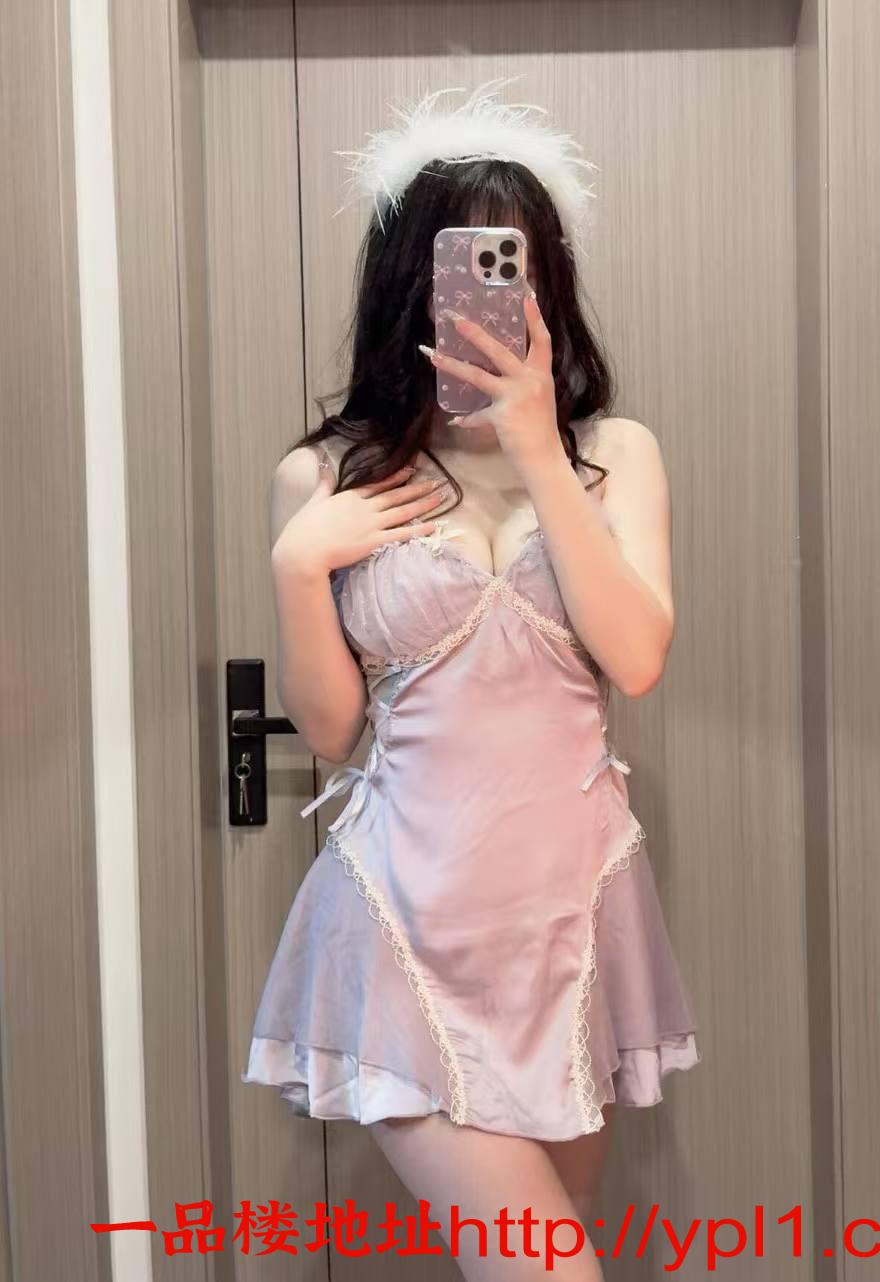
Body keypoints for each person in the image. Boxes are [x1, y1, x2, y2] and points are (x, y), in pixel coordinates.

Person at [242, 79, 700, 1280]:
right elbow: (332, 731)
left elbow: (637, 658)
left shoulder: (614, 454)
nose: (502, 297)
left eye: (521, 267)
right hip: (406, 921)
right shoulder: (326, 475)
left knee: (541, 1252)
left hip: (571, 921)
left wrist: (541, 447)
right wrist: (298, 566)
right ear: (413, 286)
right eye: (472, 268)